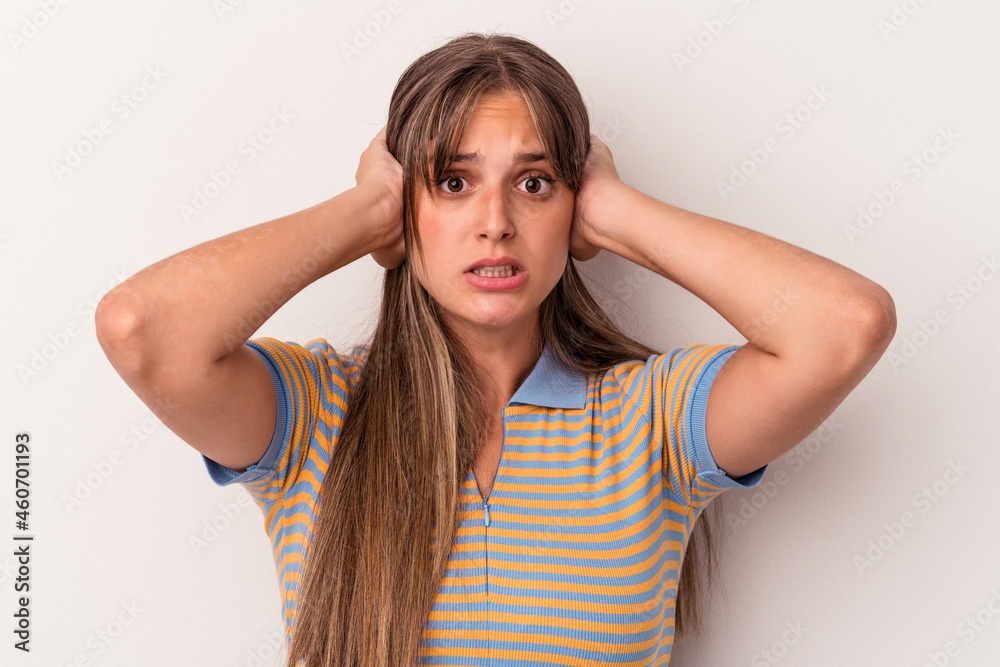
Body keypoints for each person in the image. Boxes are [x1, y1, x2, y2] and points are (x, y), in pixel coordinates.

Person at [96, 31, 896, 667]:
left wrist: (614, 212)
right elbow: (142, 329)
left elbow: (846, 325)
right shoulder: (315, 415)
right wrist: (368, 210)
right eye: (452, 182)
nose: (495, 223)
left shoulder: (650, 420)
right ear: (407, 206)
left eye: (535, 182)